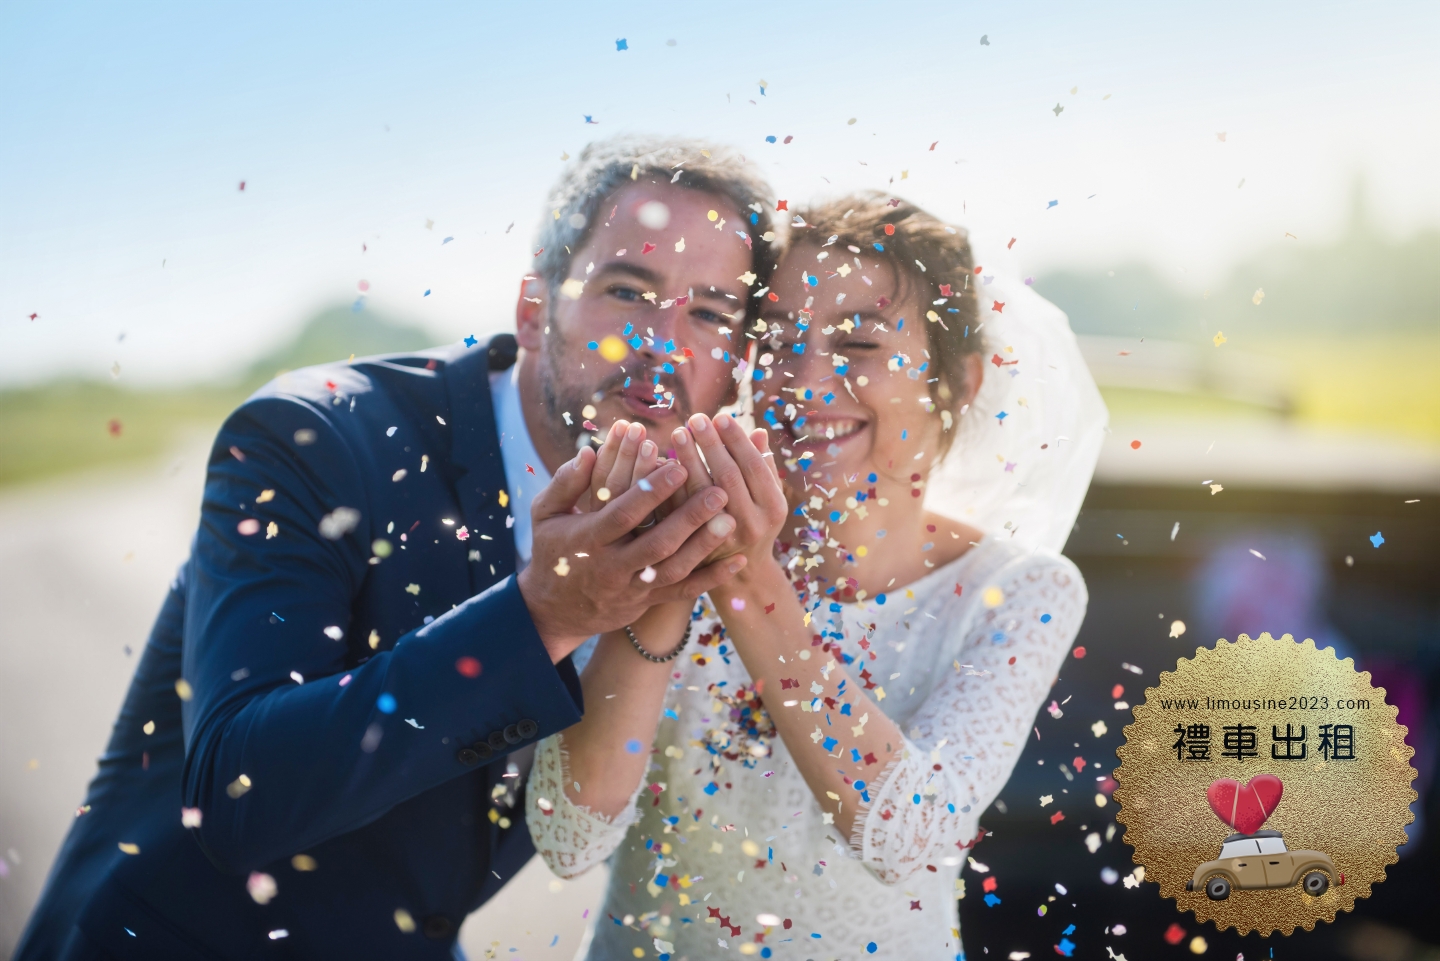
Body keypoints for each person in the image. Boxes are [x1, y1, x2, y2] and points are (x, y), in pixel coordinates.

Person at [16, 136, 777, 961]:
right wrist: (545, 613)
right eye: (628, 289)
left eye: (710, 311)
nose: (664, 341)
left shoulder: (708, 520)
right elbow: (241, 793)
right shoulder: (316, 436)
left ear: (739, 361)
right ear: (534, 309)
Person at [525, 193, 1107, 959]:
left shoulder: (1024, 592)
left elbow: (909, 833)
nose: (806, 381)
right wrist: (677, 568)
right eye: (781, 343)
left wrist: (743, 576)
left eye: (859, 344)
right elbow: (570, 835)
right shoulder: (677, 534)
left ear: (960, 380)